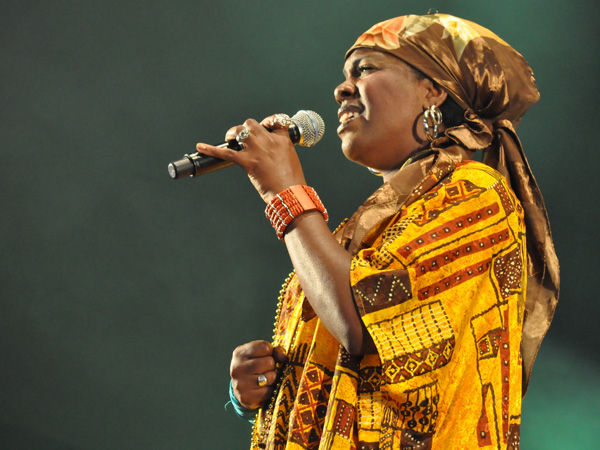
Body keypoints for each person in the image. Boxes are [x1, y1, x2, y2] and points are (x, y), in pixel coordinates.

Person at [196, 13, 559, 450]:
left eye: (364, 69)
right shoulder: (367, 226)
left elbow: (364, 324)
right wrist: (258, 388)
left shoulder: (476, 195)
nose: (341, 89)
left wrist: (284, 193)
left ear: (433, 90)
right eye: (345, 75)